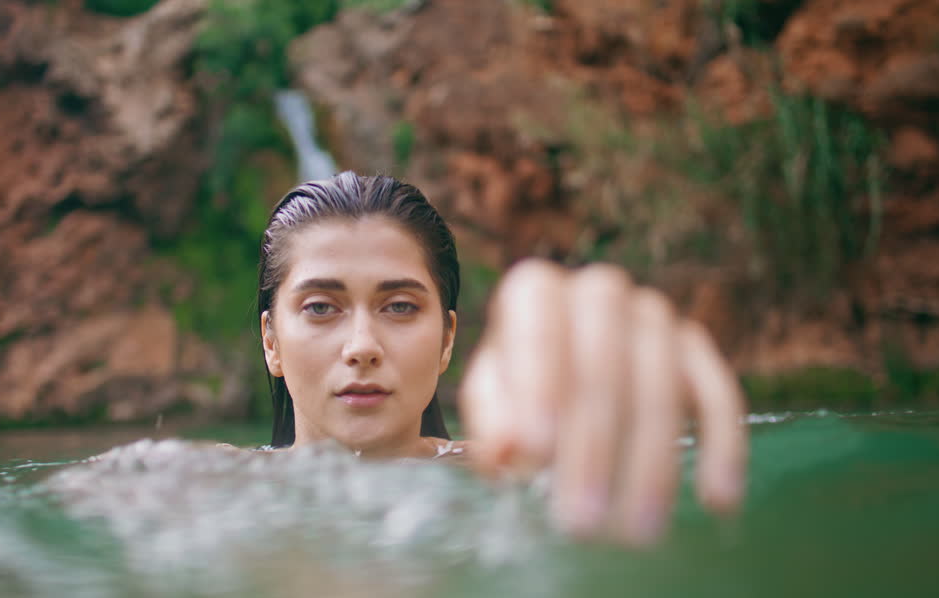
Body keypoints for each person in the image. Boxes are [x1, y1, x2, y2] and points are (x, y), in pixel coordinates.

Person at [257, 172, 746, 546]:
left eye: (400, 306)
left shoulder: (525, 471)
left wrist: (609, 393)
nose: (362, 346)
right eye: (320, 307)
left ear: (447, 340)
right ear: (271, 342)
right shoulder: (208, 479)